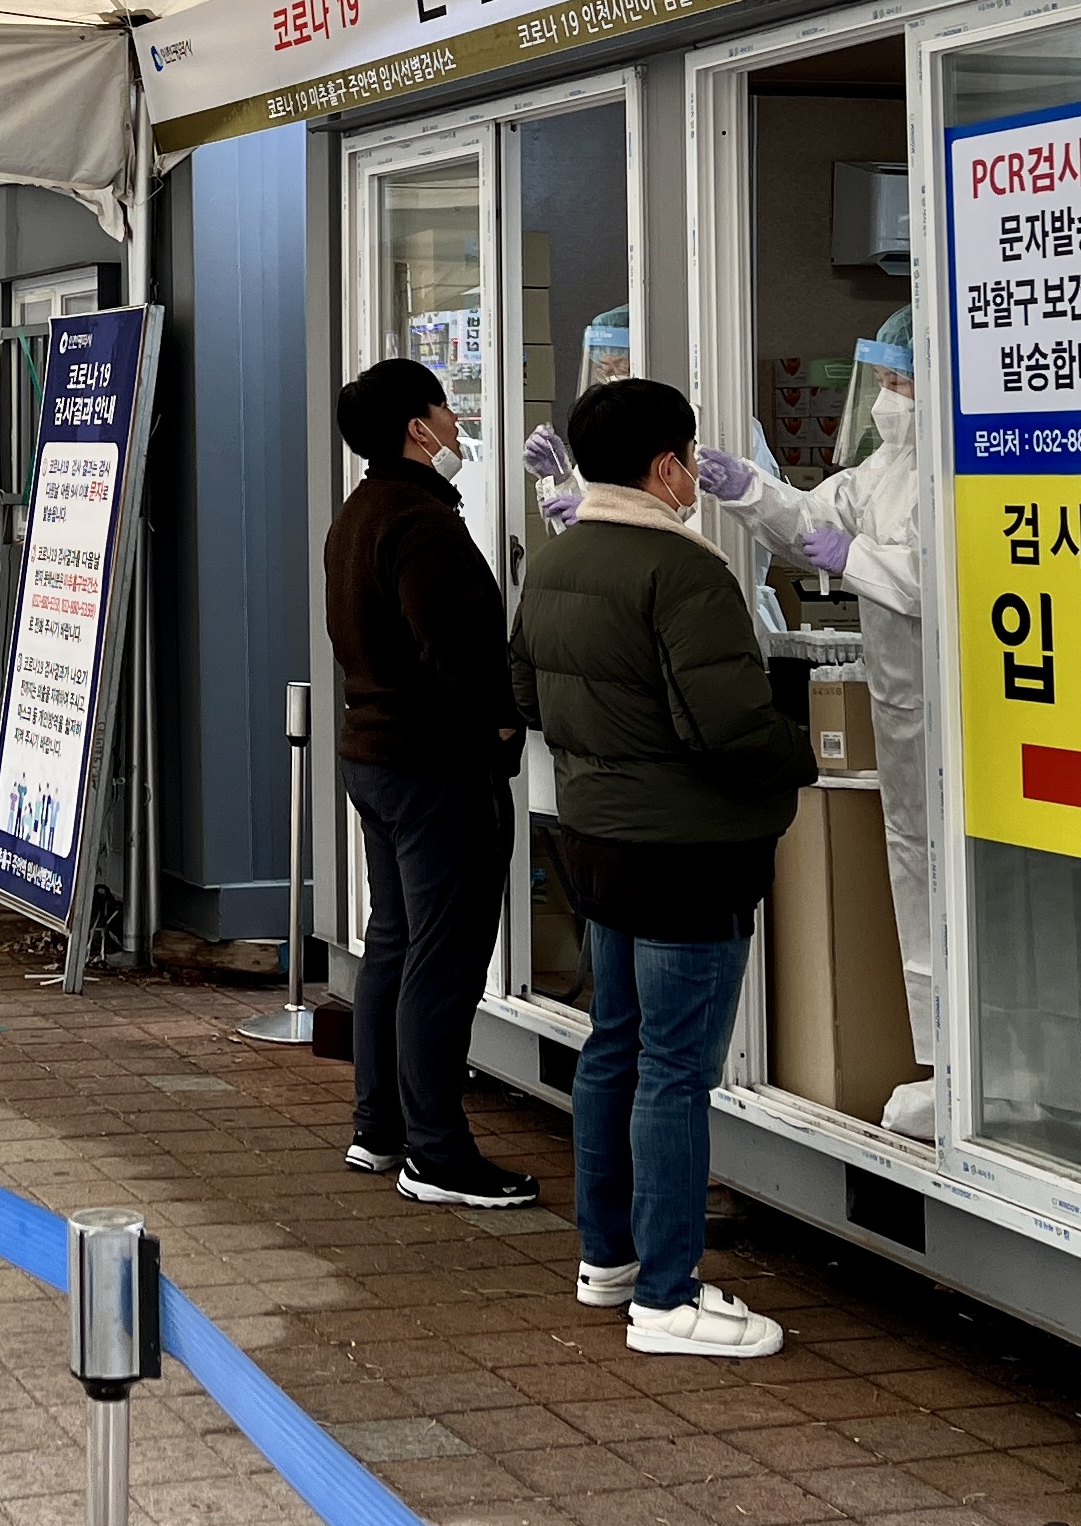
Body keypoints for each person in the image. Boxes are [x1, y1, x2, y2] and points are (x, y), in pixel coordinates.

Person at [515, 376, 810, 1359]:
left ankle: (608, 1259)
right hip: (690, 854)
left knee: (615, 1045)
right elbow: (730, 726)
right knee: (677, 1071)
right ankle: (667, 1297)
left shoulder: (558, 560)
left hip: (596, 841)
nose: (692, 475)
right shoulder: (684, 571)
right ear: (665, 466)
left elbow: (526, 693)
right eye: (687, 456)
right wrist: (801, 748)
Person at [693, 310, 937, 1136]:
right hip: (905, 713)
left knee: (978, 886)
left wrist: (856, 559)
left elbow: (947, 576)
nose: (887, 397)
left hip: (965, 710)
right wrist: (749, 490)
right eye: (885, 379)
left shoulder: (962, 466)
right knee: (919, 872)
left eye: (901, 379)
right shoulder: (882, 470)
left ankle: (1011, 1084)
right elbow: (812, 524)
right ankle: (946, 1064)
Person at [324, 358, 535, 1210]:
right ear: (418, 428)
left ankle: (379, 1129)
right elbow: (456, 645)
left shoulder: (361, 512)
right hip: (434, 767)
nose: (456, 423)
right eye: (446, 410)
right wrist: (501, 722)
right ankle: (438, 1153)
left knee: (396, 941)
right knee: (442, 960)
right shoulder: (420, 523)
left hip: (374, 756)